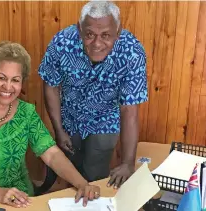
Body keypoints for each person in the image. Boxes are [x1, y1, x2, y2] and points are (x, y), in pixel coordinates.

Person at [0, 41, 100, 208]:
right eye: (1, 78)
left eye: (15, 80)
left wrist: (82, 183)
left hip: (16, 196)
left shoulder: (26, 113)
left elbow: (51, 153)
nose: (8, 87)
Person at [38, 1, 148, 189]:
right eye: (89, 34)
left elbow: (129, 109)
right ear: (79, 28)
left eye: (106, 35)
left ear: (118, 30)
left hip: (105, 120)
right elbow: (51, 86)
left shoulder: (132, 53)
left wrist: (128, 163)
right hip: (69, 116)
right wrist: (58, 129)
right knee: (70, 174)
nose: (97, 43)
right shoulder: (62, 43)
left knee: (95, 175)